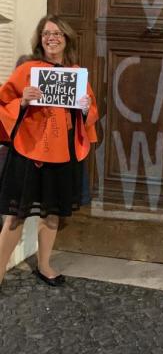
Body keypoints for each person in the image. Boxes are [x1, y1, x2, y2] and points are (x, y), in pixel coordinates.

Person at [0, 14, 98, 287]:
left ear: (66, 39)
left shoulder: (77, 74)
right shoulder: (27, 70)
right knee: (16, 214)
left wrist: (85, 108)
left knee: (52, 212)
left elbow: (92, 113)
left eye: (57, 33)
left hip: (63, 153)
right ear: (40, 39)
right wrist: (22, 101)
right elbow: (3, 102)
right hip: (29, 151)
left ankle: (44, 265)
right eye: (46, 33)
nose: (51, 38)